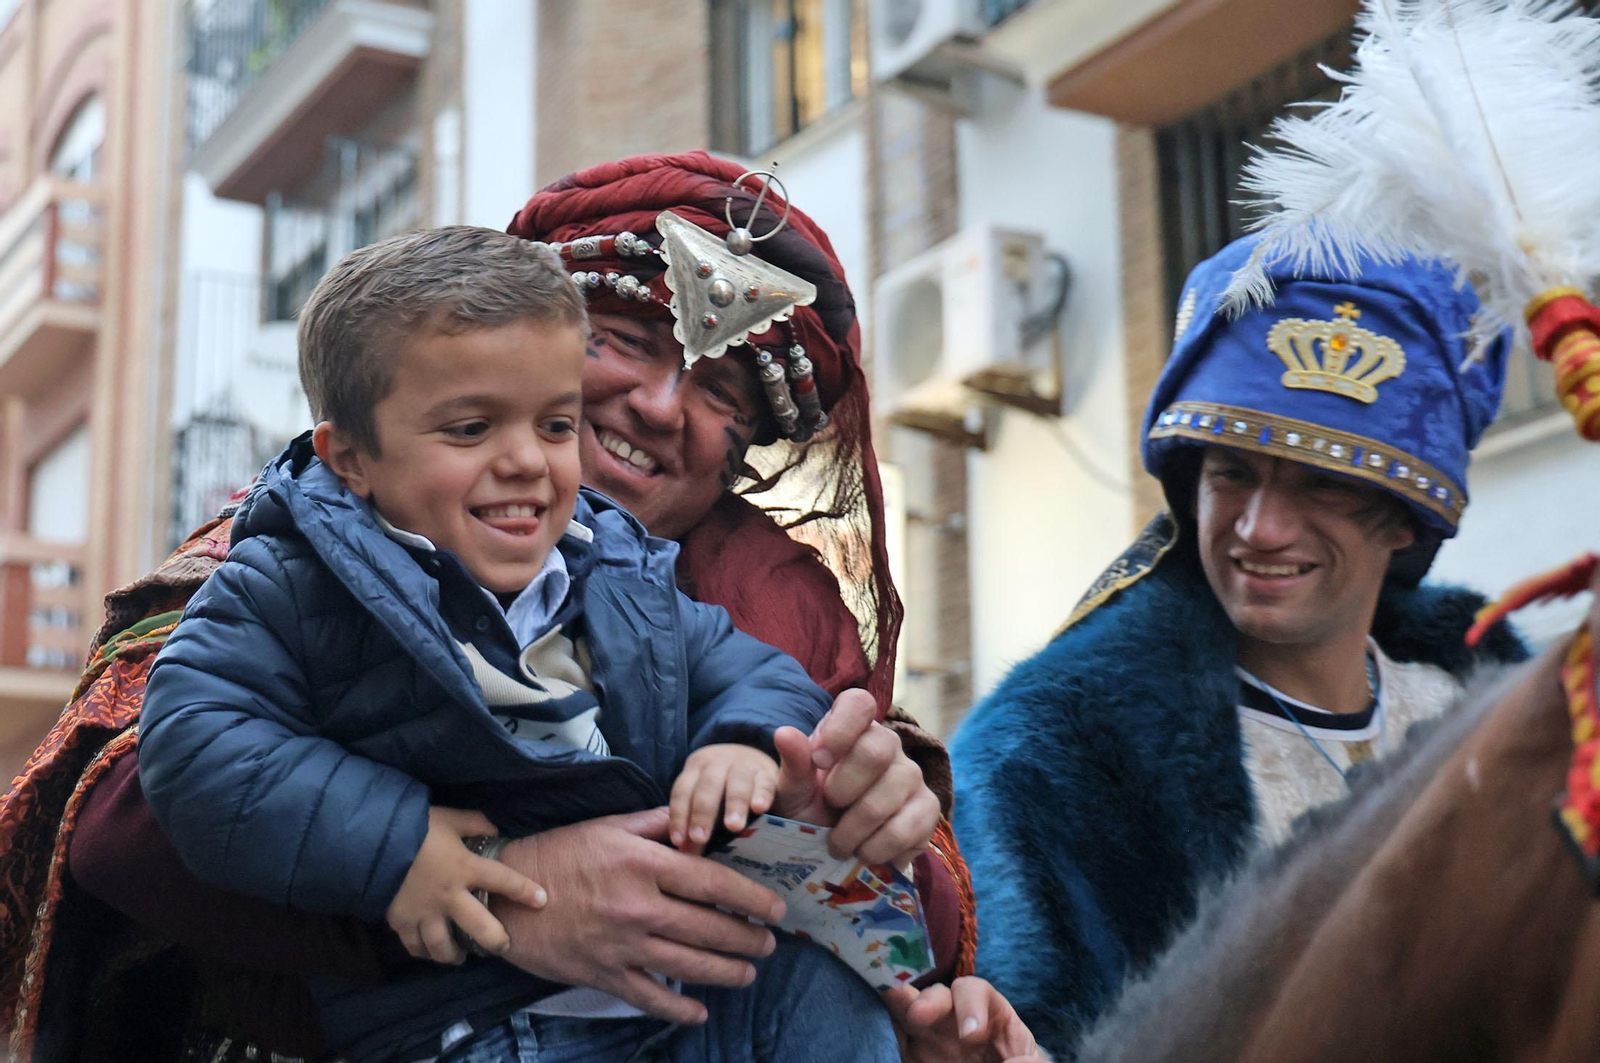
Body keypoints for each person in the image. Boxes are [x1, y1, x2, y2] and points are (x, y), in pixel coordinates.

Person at [0, 153, 1003, 1063]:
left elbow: (913, 927)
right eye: (622, 339)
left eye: (723, 392)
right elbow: (119, 814)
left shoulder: (779, 615)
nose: (662, 404)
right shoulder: (297, 551)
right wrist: (507, 888)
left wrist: (864, 816)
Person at [949, 235, 1530, 1059]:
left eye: (1321, 480)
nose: (1260, 528)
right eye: (1232, 473)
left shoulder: (1495, 719)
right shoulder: (1052, 761)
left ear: (1405, 515)